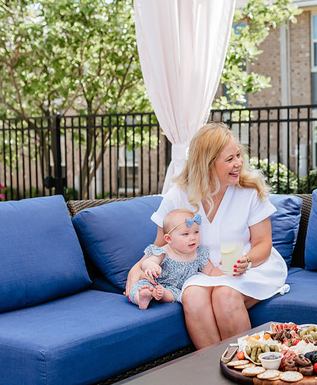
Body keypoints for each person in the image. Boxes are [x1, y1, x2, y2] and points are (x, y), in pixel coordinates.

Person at [124, 123, 289, 349]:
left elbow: (263, 244)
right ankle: (215, 372)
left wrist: (247, 261)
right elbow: (161, 245)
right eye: (230, 159)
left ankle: (248, 370)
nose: (239, 163)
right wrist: (136, 270)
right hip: (201, 270)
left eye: (238, 155)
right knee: (192, 296)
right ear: (207, 164)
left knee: (225, 295)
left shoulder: (249, 191)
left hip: (250, 267)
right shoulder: (178, 195)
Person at [128, 209, 222, 310]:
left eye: (196, 232)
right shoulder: (164, 252)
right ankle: (142, 298)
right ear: (169, 239)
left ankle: (162, 295)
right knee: (140, 286)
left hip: (174, 289)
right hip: (153, 282)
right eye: (186, 234)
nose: (193, 238)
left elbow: (211, 270)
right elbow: (148, 261)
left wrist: (226, 277)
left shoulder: (199, 254)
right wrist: (152, 266)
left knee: (176, 295)